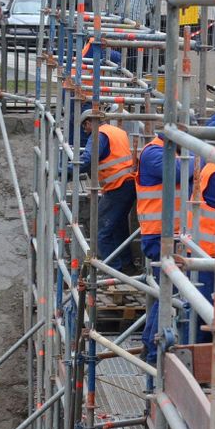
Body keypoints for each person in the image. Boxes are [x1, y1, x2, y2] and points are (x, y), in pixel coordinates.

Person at [136, 136, 185, 363]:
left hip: (167, 233)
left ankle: (150, 344)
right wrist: (202, 159)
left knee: (166, 292)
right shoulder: (154, 153)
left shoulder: (167, 152)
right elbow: (177, 172)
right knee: (168, 292)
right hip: (159, 234)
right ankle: (154, 351)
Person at [78, 116, 137, 272]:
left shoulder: (99, 134)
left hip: (117, 187)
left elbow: (87, 160)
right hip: (127, 183)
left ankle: (113, 272)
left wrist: (66, 170)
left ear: (89, 122)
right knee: (118, 227)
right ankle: (127, 266)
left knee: (102, 230)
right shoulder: (117, 131)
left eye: (85, 127)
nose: (85, 130)